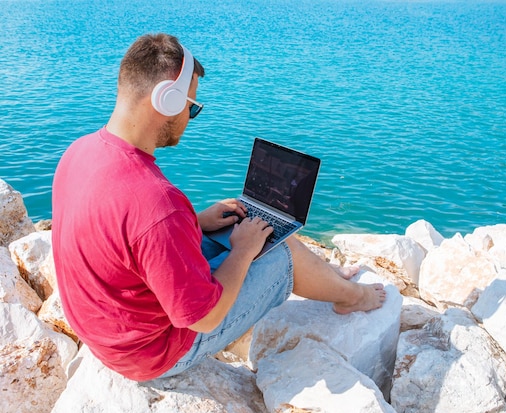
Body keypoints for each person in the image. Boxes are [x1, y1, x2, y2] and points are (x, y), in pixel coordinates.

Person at [51, 33, 386, 382]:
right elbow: (203, 318)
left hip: (109, 331)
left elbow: (123, 237)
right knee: (276, 251)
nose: (190, 117)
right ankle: (353, 297)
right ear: (166, 100)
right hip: (153, 354)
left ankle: (326, 275)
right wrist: (241, 253)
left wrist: (193, 223)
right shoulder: (157, 203)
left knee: (257, 229)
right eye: (192, 107)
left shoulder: (80, 152)